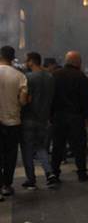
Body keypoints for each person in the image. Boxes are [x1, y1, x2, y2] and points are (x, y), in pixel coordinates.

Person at [51, 51, 88, 182]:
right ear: (77, 62)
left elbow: (51, 97)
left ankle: (55, 173)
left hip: (59, 116)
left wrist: (50, 115)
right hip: (76, 117)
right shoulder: (81, 77)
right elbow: (86, 98)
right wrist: (87, 116)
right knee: (79, 147)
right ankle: (81, 173)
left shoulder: (55, 75)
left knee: (58, 146)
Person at [20, 52, 58, 190]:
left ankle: (31, 179)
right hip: (44, 118)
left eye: (27, 61)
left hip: (28, 118)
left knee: (27, 150)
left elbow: (24, 99)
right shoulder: (50, 77)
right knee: (41, 147)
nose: (25, 63)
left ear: (31, 61)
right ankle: (49, 173)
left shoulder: (28, 77)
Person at [0, 46, 28, 198]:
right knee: (10, 155)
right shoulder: (20, 76)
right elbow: (23, 101)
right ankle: (6, 185)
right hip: (13, 121)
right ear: (12, 57)